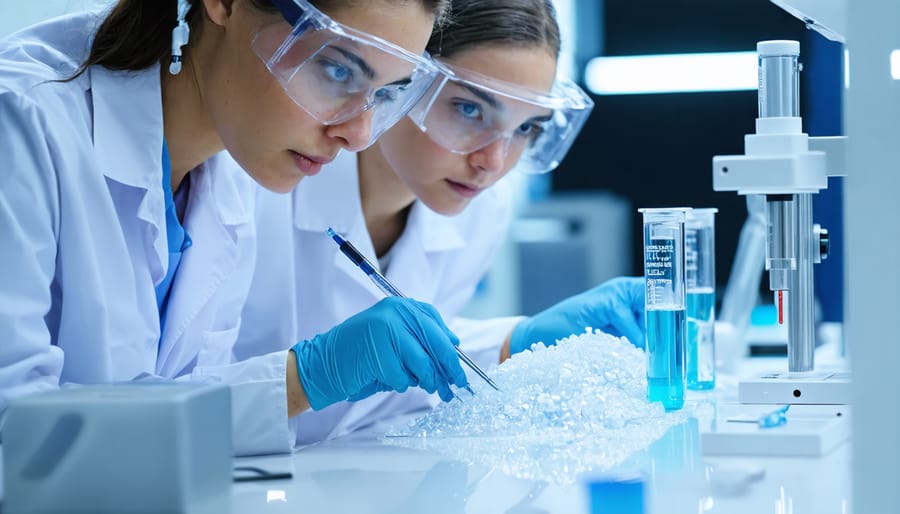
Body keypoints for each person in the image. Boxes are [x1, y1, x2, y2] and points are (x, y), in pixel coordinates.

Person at [0, 0, 474, 456]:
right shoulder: (22, 122)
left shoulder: (231, 172)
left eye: (384, 93)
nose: (359, 135)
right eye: (337, 70)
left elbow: (177, 419)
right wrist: (301, 379)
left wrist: (303, 385)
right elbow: (15, 434)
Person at [238, 0, 645, 444]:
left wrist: (516, 343)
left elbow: (401, 368)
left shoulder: (484, 209)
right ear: (399, 79)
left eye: (526, 128)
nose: (493, 162)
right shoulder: (259, 181)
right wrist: (308, 378)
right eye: (470, 110)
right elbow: (167, 403)